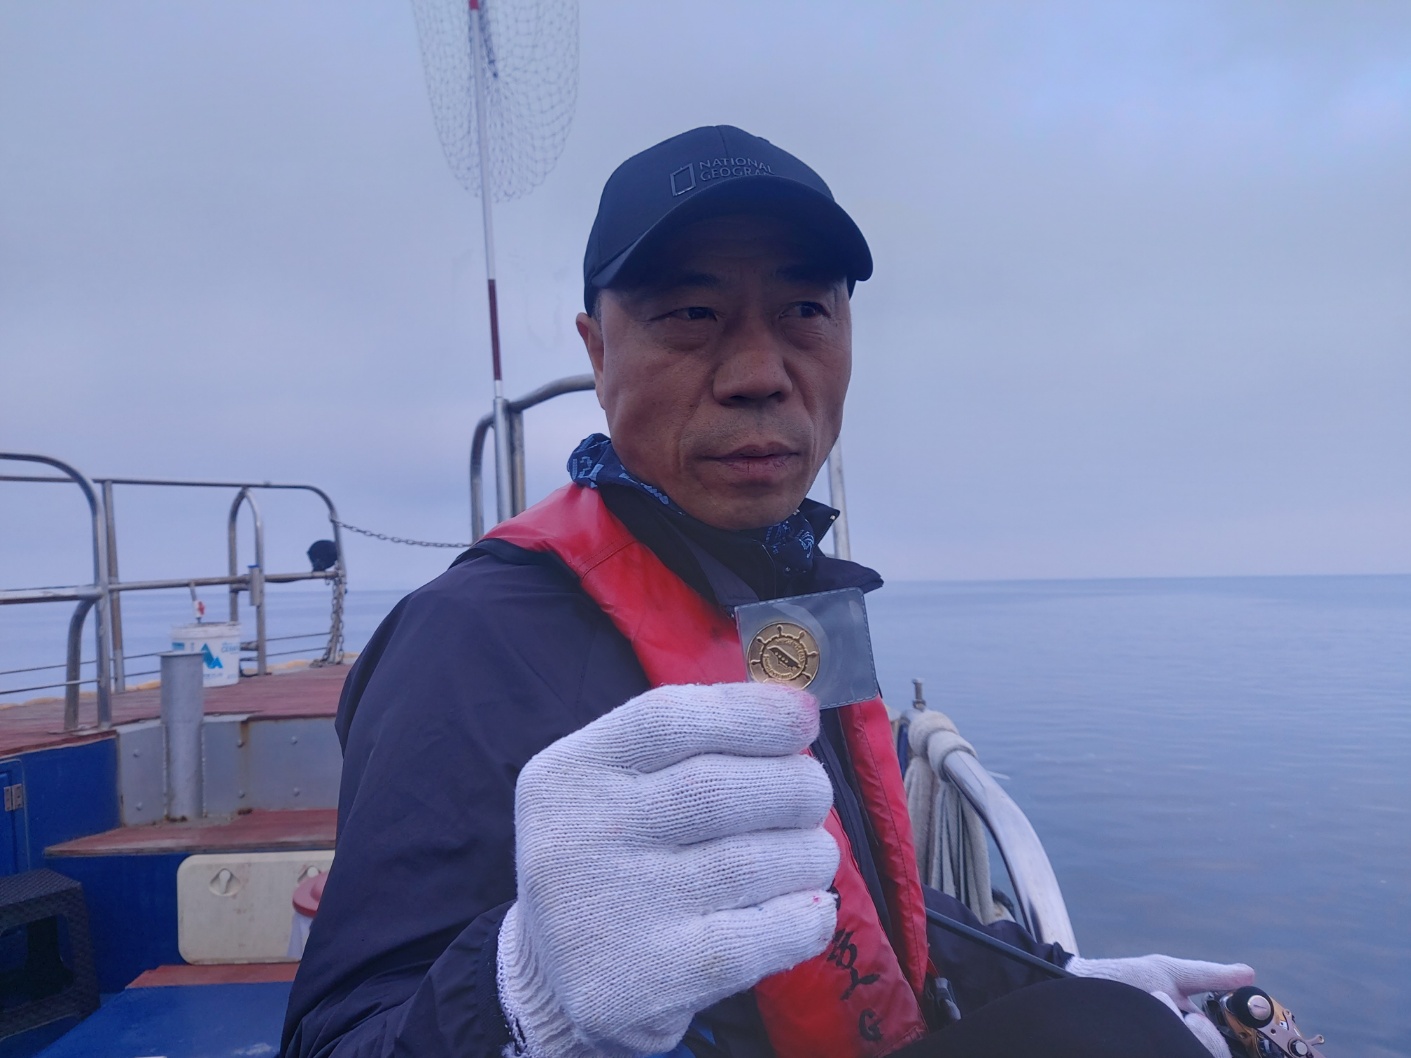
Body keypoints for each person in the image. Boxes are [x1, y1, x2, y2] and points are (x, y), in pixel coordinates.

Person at [282, 126, 1253, 1058]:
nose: (758, 374)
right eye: (690, 314)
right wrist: (522, 994)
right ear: (596, 351)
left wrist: (1053, 975)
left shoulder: (791, 596)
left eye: (804, 312)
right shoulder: (466, 641)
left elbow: (853, 897)